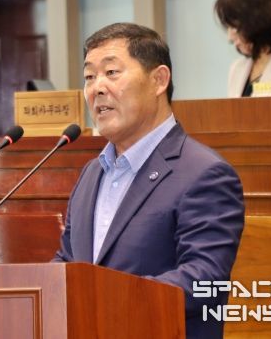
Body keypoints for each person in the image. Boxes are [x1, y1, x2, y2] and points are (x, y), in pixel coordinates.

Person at [53, 22, 244, 338]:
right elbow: (68, 261)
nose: (97, 88)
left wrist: (103, 300)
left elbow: (205, 279)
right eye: (89, 77)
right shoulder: (91, 174)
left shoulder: (204, 173)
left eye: (111, 72)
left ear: (159, 80)